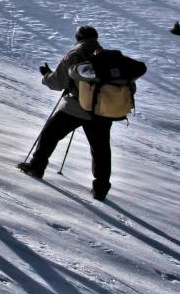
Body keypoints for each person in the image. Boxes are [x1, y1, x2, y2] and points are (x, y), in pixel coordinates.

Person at [18, 25, 113, 200]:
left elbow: (58, 82)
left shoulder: (76, 53)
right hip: (104, 110)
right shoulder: (107, 57)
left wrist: (46, 75)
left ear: (78, 37)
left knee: (49, 134)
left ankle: (36, 167)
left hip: (77, 108)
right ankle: (101, 189)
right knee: (101, 149)